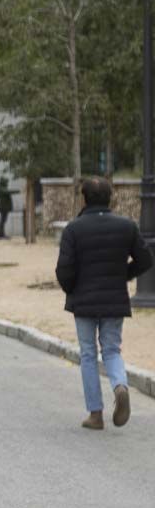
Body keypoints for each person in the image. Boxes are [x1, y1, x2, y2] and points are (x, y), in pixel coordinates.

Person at [55, 176, 153, 430]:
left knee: (88, 354)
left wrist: (72, 288)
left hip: (83, 301)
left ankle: (95, 414)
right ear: (110, 198)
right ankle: (120, 385)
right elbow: (145, 260)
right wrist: (123, 276)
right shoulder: (126, 226)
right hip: (113, 299)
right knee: (111, 349)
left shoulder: (74, 229)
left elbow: (64, 270)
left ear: (84, 198)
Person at [0, 175, 14, 239]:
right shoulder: (1, 189)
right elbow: (7, 192)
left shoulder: (2, 188)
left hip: (5, 207)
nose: (7, 183)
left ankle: (2, 234)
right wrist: (17, 191)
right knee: (2, 221)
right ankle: (1, 235)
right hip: (3, 207)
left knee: (3, 221)